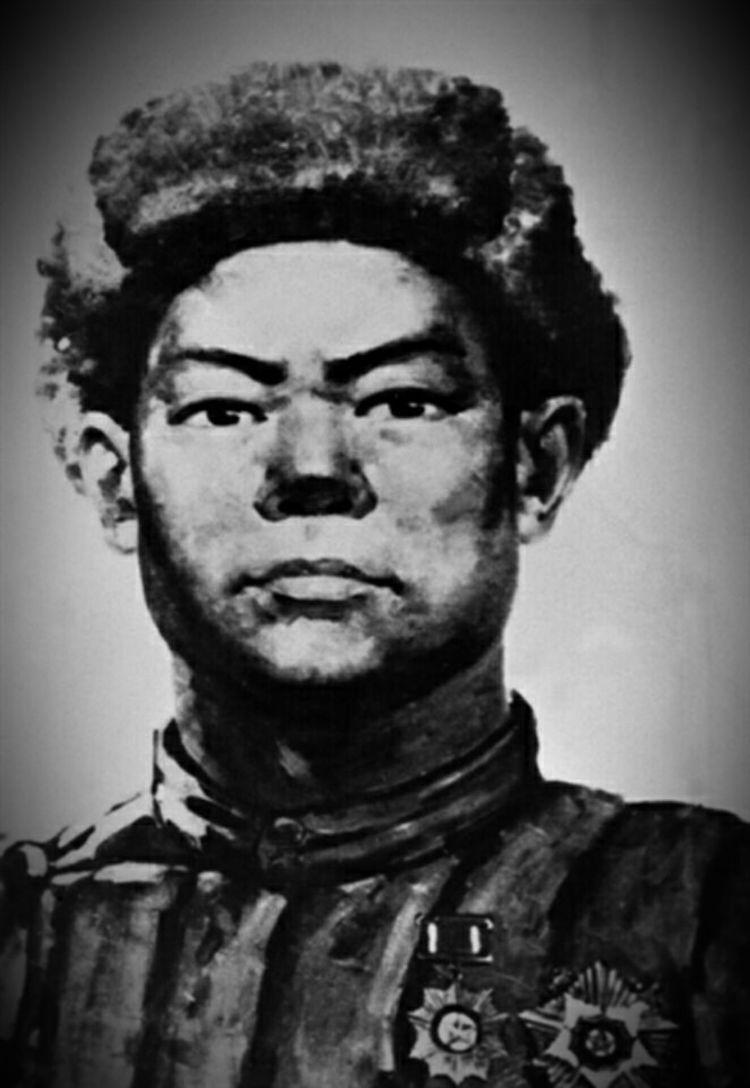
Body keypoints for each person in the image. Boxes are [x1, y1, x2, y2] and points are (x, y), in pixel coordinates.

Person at [1, 61, 747, 1088]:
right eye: (225, 408)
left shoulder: (700, 916)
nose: (313, 469)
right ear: (112, 479)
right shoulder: (24, 932)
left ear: (538, 466)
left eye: (401, 401)